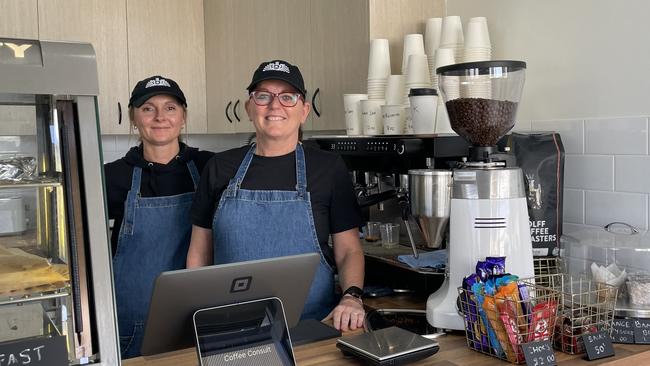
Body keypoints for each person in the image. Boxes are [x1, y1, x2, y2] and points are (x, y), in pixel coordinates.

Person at [187, 60, 365, 331]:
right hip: (230, 326)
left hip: (312, 325)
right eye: (263, 96)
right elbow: (199, 253)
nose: (274, 105)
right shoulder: (219, 167)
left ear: (304, 110)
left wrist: (352, 297)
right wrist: (199, 314)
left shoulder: (328, 168)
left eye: (287, 97)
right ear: (248, 107)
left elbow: (349, 250)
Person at [104, 75, 214, 358]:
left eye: (170, 108)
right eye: (148, 108)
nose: (159, 117)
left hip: (202, 311)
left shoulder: (211, 168)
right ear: (133, 118)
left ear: (183, 117)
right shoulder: (112, 175)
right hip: (134, 318)